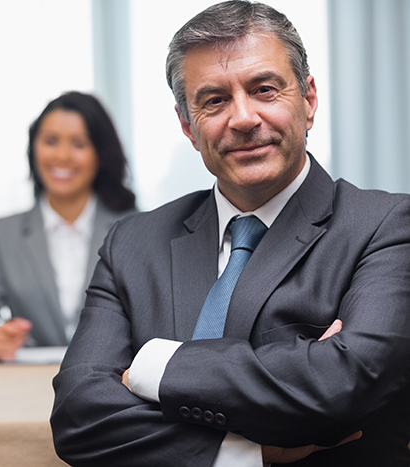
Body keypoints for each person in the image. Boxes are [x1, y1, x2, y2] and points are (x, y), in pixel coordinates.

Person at [51, 1, 410, 466]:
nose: (242, 118)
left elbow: (345, 385)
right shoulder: (131, 244)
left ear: (308, 99)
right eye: (215, 100)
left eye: (264, 89)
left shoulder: (386, 226)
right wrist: (248, 451)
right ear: (188, 125)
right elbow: (79, 419)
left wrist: (155, 366)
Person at [0, 91, 137, 361]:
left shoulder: (135, 228)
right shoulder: (1, 234)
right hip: (25, 383)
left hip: (115, 381)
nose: (62, 156)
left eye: (79, 144)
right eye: (51, 141)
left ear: (100, 153)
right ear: (34, 148)